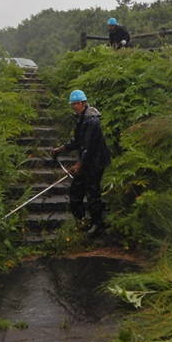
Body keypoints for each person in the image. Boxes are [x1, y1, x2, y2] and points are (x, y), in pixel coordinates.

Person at [50, 89, 111, 236]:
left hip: (96, 161)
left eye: (77, 103)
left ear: (83, 103)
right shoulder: (80, 118)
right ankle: (82, 222)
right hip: (86, 161)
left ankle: (98, 225)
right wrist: (60, 149)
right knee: (75, 193)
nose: (75, 106)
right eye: (73, 104)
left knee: (92, 193)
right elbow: (78, 141)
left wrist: (78, 165)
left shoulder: (91, 120)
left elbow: (89, 147)